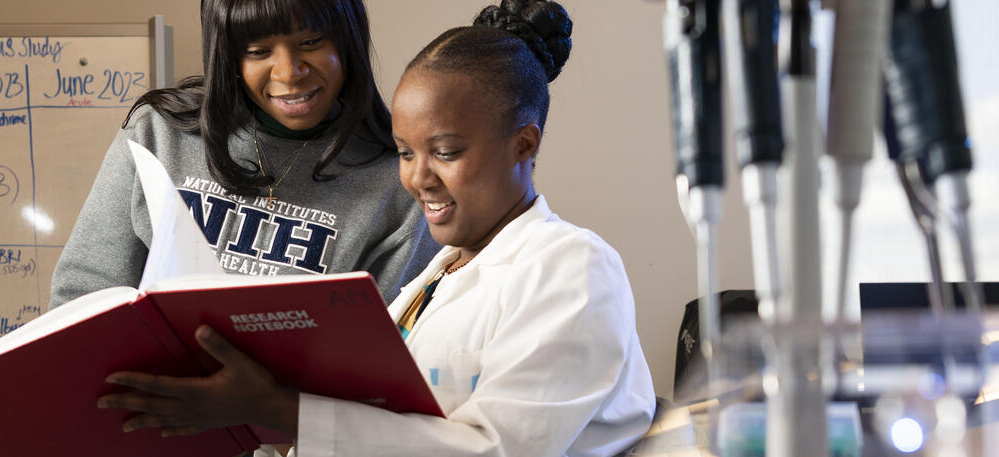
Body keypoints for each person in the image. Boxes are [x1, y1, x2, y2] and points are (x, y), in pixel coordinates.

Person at [97, 1, 658, 456]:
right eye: (406, 152)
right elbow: (370, 429)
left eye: (446, 152)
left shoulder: (572, 267)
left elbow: (495, 450)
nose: (418, 179)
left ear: (524, 143)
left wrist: (273, 408)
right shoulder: (438, 278)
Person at [49, 0, 437, 307]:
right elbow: (84, 293)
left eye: (311, 42)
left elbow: (385, 345)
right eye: (257, 51)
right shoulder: (158, 134)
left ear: (347, 41)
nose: (288, 72)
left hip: (294, 406)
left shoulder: (398, 179)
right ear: (229, 59)